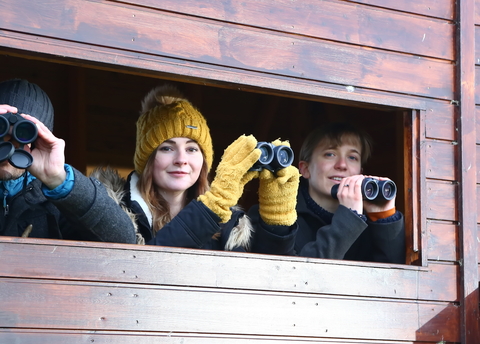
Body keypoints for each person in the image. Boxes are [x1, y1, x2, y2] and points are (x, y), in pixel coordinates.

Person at [99, 84, 299, 251]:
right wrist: (212, 207)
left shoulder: (231, 224)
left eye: (192, 149)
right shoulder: (113, 211)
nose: (181, 159)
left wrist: (277, 220)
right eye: (167, 148)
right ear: (147, 159)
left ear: (204, 161)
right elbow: (142, 268)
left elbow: (266, 282)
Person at [0, 78, 136, 243]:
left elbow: (123, 240)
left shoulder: (53, 205)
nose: (10, 146)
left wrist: (59, 179)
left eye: (23, 134)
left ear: (39, 140)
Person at [250, 122, 405, 264]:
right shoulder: (274, 216)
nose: (342, 165)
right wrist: (350, 218)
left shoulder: (366, 223)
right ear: (305, 169)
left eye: (352, 157)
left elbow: (398, 282)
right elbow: (294, 277)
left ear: (360, 172)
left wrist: (382, 218)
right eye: (330, 154)